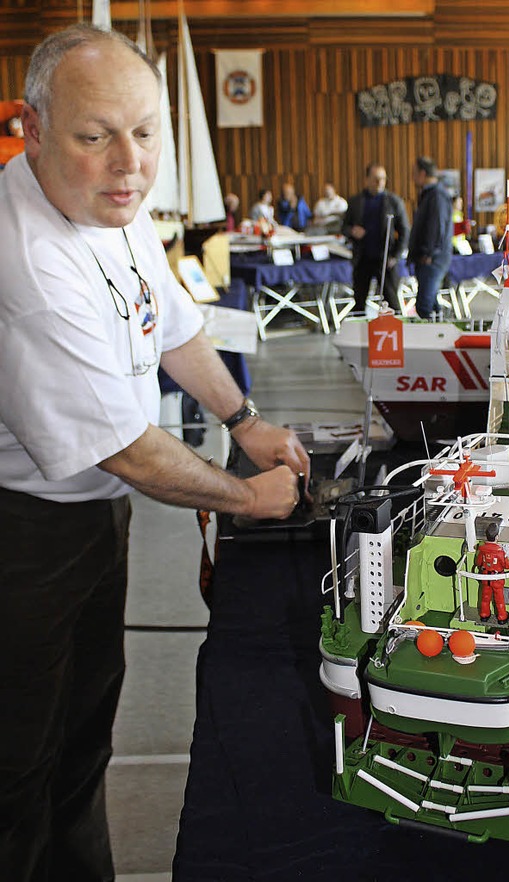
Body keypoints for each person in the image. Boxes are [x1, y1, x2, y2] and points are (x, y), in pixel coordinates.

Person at [0, 24, 309, 882]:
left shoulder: (115, 208)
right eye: (95, 136)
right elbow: (129, 451)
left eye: (144, 134)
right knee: (18, 763)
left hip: (92, 519)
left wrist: (246, 421)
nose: (128, 163)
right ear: (33, 129)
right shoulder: (26, 260)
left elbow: (172, 327)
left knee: (82, 739)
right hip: (23, 532)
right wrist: (247, 498)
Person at [342, 163, 409, 313]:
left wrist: (395, 256)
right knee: (359, 301)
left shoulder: (394, 201)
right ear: (367, 180)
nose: (380, 183)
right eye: (376, 179)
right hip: (363, 258)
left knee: (391, 301)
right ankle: (358, 333)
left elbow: (405, 231)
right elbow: (344, 227)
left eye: (383, 179)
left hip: (385, 259)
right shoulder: (356, 202)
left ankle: (396, 332)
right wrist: (352, 231)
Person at [407, 156, 453, 318]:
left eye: (414, 173)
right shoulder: (430, 195)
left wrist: (428, 253)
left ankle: (435, 339)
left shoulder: (436, 196)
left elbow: (436, 227)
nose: (412, 177)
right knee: (431, 305)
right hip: (429, 258)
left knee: (424, 306)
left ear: (422, 173)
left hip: (432, 259)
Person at [475, 522, 509, 625]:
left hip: (485, 578)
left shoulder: (482, 550)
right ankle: (502, 617)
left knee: (485, 598)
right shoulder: (500, 552)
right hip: (497, 579)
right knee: (499, 599)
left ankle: (484, 615)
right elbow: (507, 564)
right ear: (497, 536)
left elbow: (478, 562)